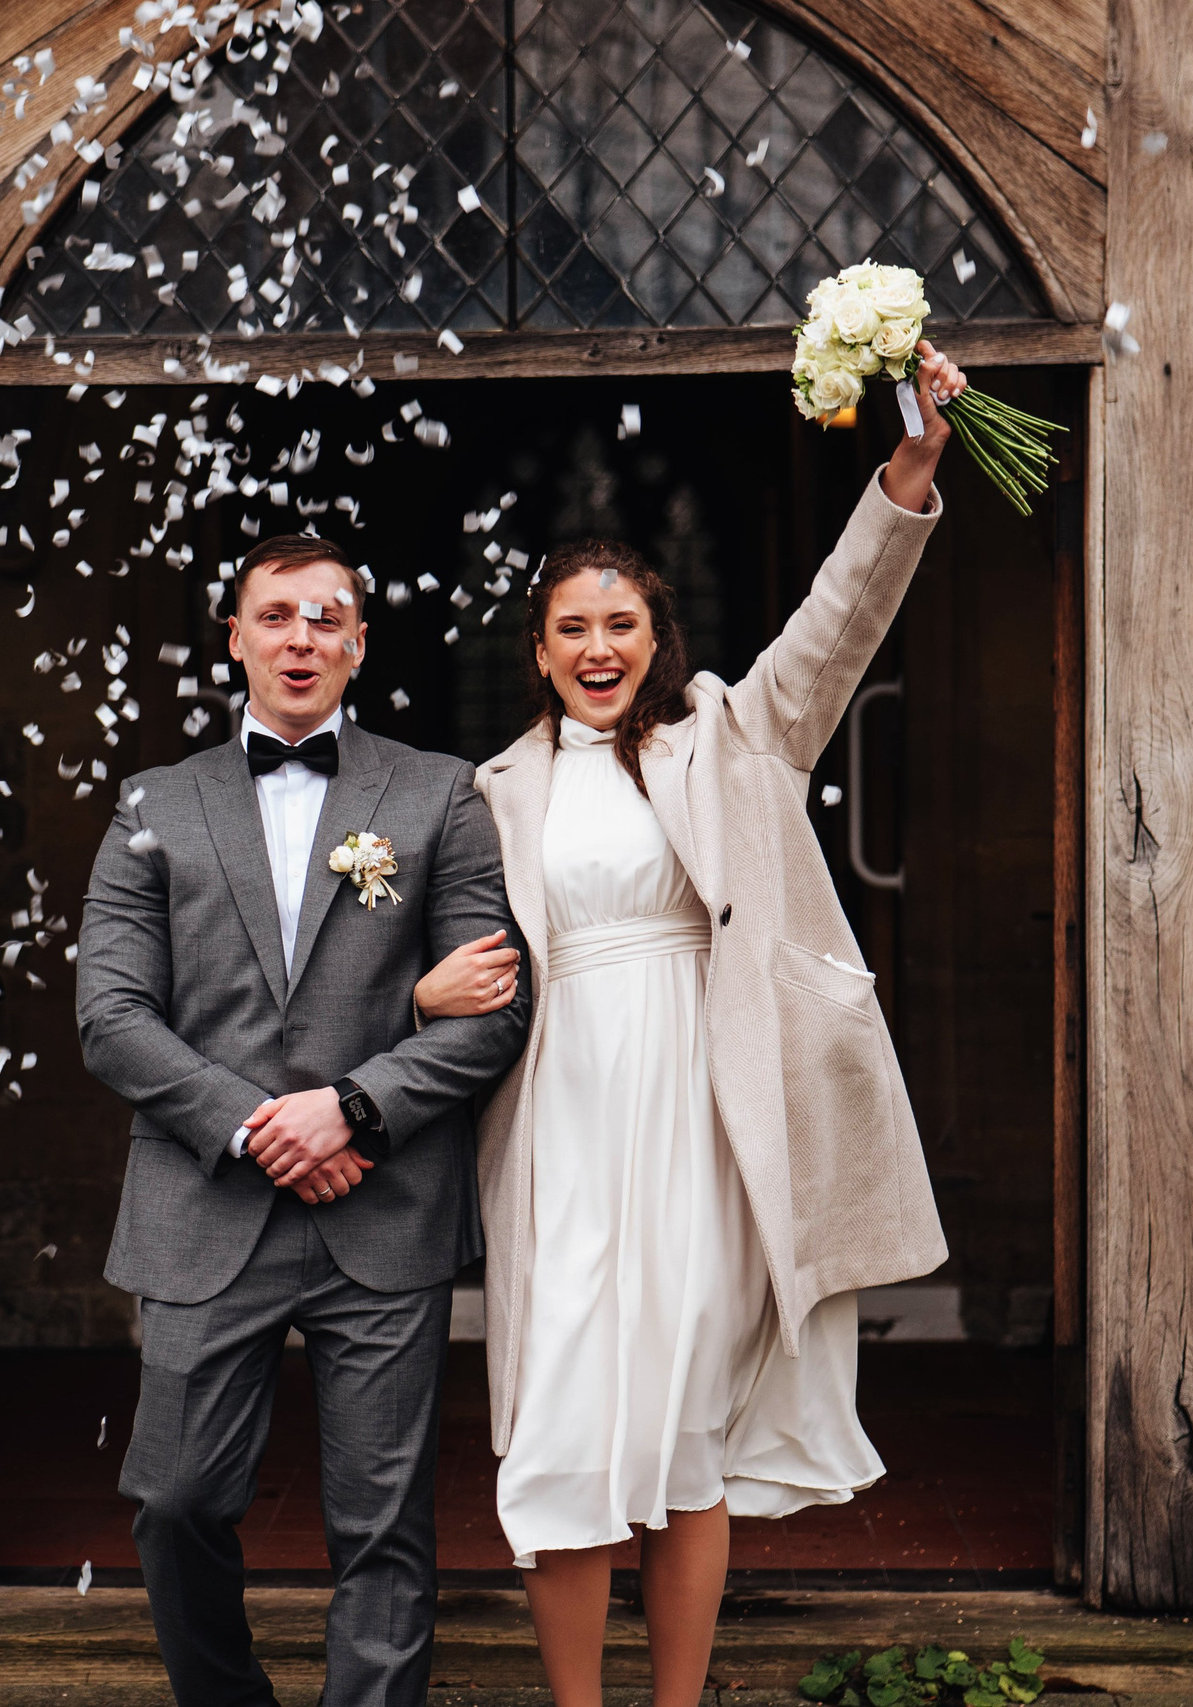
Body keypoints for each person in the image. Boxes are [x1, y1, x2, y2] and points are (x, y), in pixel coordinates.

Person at [413, 344, 965, 1706]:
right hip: (561, 1113)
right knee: (559, 1419)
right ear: (537, 652)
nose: (599, 649)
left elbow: (840, 620)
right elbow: (423, 942)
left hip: (704, 1112)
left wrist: (908, 466)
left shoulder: (734, 734)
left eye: (622, 625)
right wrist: (419, 995)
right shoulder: (493, 790)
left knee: (682, 1422)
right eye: (572, 630)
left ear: (659, 636)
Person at [77, 531, 530, 1707]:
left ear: (360, 644)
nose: (300, 638)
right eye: (275, 615)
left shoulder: (439, 794)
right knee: (173, 1500)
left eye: (326, 618)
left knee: (381, 1525)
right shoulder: (154, 803)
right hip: (203, 1204)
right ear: (234, 636)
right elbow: (111, 1016)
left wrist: (354, 1112)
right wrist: (256, 1124)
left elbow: (489, 1009)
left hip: (382, 1212)